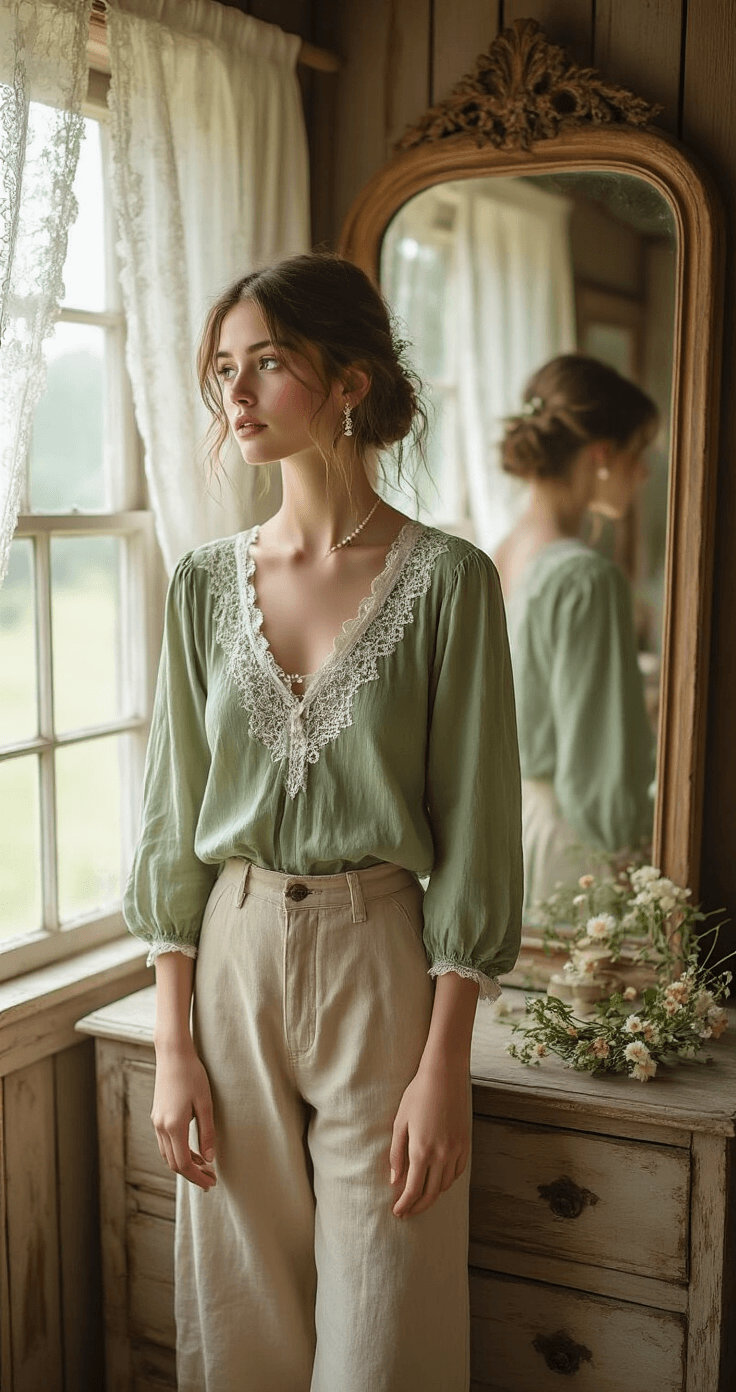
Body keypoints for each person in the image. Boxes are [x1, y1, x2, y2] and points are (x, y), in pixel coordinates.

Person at [123, 252, 523, 1392]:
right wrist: (171, 1042)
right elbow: (170, 815)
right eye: (221, 371)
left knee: (382, 1334)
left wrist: (445, 1061)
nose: (235, 396)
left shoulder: (450, 581)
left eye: (267, 365)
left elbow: (480, 829)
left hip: (381, 958)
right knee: (239, 1316)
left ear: (348, 382)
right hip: (231, 957)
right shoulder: (203, 584)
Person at [493, 354, 658, 916]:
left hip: (513, 829)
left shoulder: (503, 551)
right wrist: (628, 855)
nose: (645, 474)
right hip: (576, 847)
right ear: (604, 456)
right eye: (641, 455)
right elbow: (596, 760)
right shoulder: (586, 578)